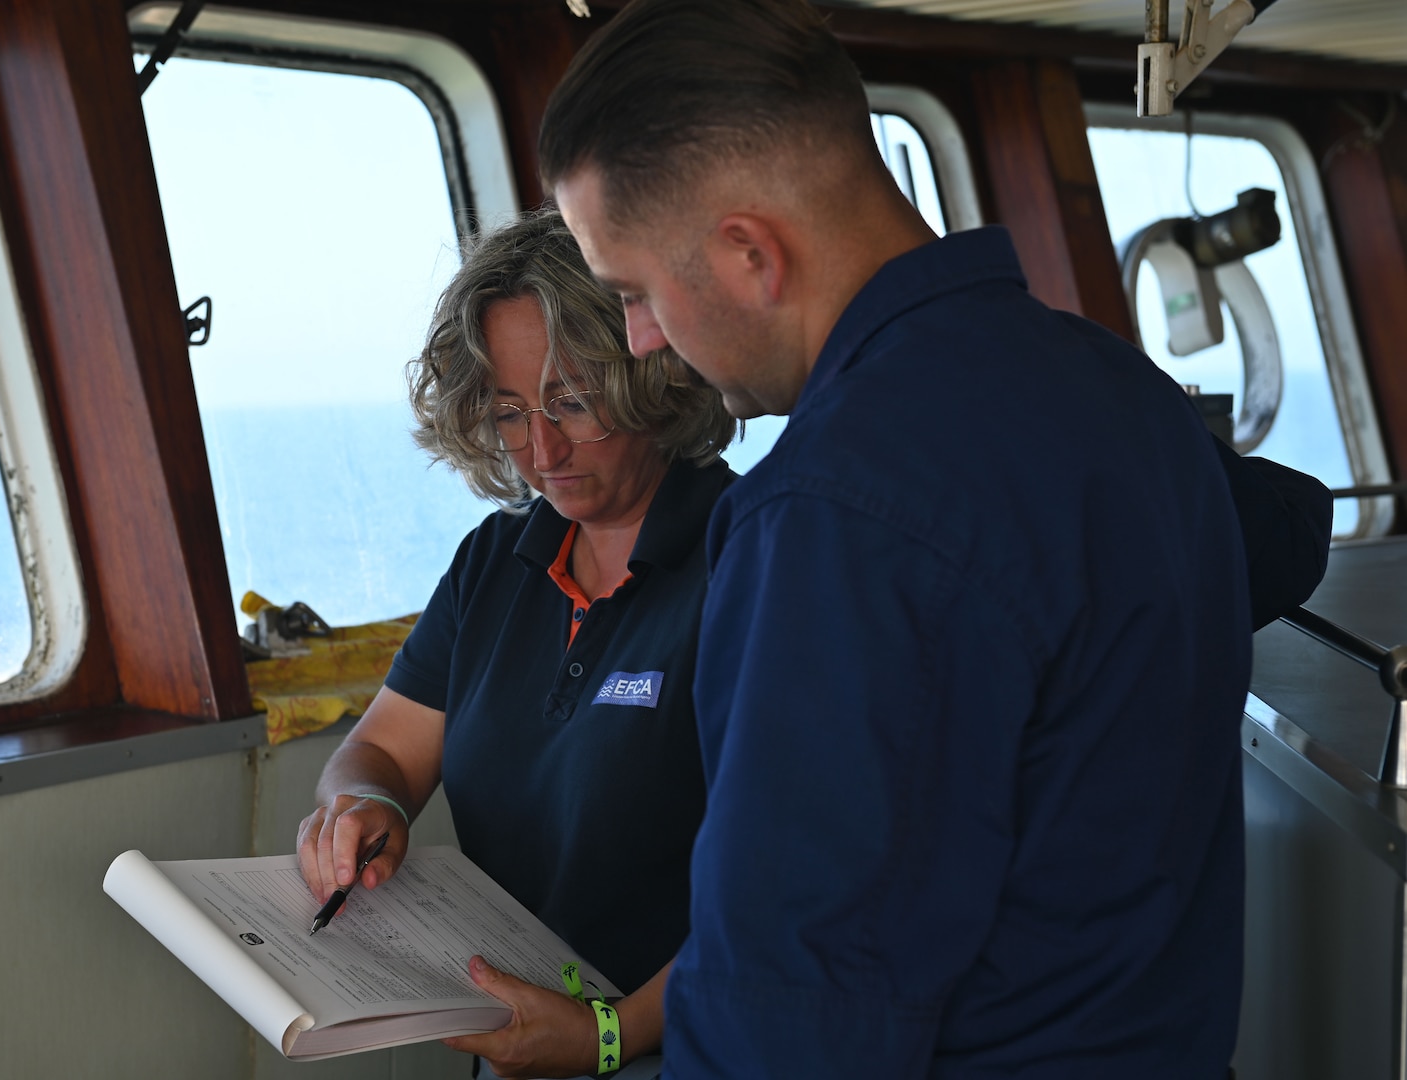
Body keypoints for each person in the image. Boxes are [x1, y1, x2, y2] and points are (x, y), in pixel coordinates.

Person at [538, 1, 1330, 1076]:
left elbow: (784, 1022)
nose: (641, 337)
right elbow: (1284, 539)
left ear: (747, 254)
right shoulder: (1119, 392)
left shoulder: (828, 516)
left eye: (632, 291)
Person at [295, 209, 736, 1080]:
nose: (541, 450)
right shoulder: (496, 560)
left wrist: (604, 1033)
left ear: (653, 372)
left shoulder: (749, 557)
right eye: (508, 412)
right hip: (520, 1045)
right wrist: (361, 805)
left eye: (571, 402)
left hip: (689, 1049)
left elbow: (787, 885)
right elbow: (380, 748)